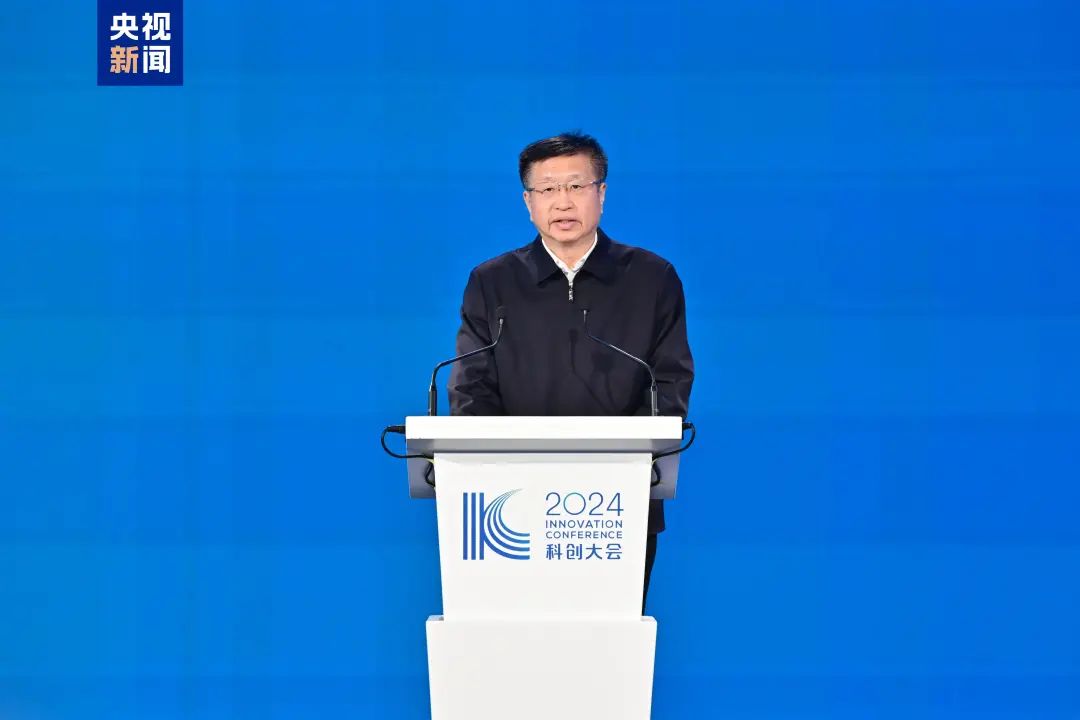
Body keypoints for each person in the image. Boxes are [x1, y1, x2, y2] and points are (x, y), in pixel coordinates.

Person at [448, 131, 694, 612]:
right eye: (547, 189)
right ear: (528, 202)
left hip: (614, 509)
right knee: (515, 642)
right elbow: (471, 389)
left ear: (601, 193)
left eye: (576, 186)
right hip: (511, 505)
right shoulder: (492, 282)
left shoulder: (652, 278)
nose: (562, 202)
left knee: (610, 643)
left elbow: (669, 382)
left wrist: (624, 462)